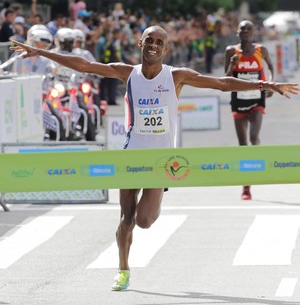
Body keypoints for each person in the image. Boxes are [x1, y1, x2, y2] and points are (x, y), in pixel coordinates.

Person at [10, 25, 299, 291]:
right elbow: (85, 65)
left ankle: (155, 198)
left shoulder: (176, 76)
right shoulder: (128, 72)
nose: (154, 45)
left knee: (145, 220)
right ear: (140, 42)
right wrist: (40, 51)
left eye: (160, 42)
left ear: (165, 49)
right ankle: (122, 269)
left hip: (161, 160)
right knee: (126, 218)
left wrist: (266, 85)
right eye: (149, 40)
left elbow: (222, 83)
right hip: (131, 155)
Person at [224, 20, 274, 200]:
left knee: (253, 137)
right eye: (242, 28)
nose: (245, 31)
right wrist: (232, 64)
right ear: (237, 32)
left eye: (249, 29)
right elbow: (226, 79)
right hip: (238, 101)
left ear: (254, 33)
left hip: (257, 100)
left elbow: (271, 67)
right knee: (243, 145)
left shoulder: (261, 50)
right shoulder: (231, 51)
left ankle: (257, 153)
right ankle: (246, 187)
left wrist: (270, 84)